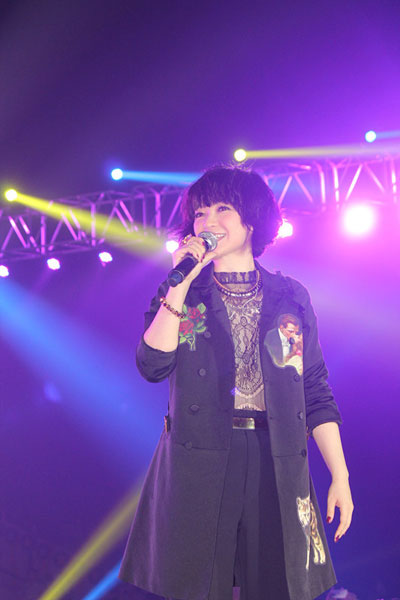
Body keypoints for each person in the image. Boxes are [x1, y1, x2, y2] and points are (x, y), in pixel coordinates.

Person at [119, 166, 354, 600]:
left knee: (278, 583)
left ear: (252, 220)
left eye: (222, 208)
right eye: (200, 213)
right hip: (200, 456)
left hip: (275, 455)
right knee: (199, 585)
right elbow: (152, 365)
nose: (207, 222)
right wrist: (180, 285)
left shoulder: (289, 297)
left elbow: (314, 389)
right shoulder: (185, 291)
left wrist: (339, 474)